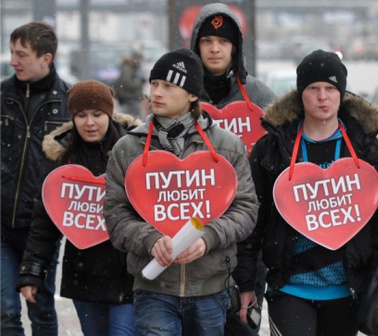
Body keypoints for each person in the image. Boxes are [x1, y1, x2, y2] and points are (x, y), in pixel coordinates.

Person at [233, 49, 378, 336]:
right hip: (289, 286)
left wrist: (376, 278)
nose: (323, 97)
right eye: (314, 88)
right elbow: (252, 219)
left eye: (331, 88)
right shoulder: (272, 149)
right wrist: (246, 282)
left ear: (341, 94)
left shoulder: (366, 149)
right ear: (300, 94)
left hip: (348, 289)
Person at [103, 48, 258, 336]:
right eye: (154, 84)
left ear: (192, 95)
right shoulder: (127, 149)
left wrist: (208, 238)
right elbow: (115, 215)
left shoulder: (227, 147)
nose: (156, 93)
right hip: (153, 288)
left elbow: (246, 210)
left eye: (168, 86)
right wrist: (149, 240)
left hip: (210, 286)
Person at [16, 80, 140, 336]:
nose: (90, 122)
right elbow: (45, 223)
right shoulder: (61, 160)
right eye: (81, 115)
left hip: (128, 273)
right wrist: (32, 272)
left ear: (110, 113)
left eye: (97, 114)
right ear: (72, 118)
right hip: (84, 274)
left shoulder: (135, 150)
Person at [189, 3, 278, 334]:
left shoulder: (259, 96)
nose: (215, 49)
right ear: (196, 45)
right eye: (207, 40)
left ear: (235, 48)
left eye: (223, 42)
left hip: (249, 231)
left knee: (243, 324)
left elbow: (280, 160)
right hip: (194, 226)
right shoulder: (180, 96)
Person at [1, 21, 71, 336]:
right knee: (6, 311)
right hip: (1, 224)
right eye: (12, 52)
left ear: (46, 58)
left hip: (41, 229)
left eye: (21, 54)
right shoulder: (1, 95)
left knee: (41, 309)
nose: (13, 60)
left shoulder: (69, 103)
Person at [113, 48, 146, 119]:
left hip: (130, 97)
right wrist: (140, 82)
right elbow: (128, 82)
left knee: (132, 116)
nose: (140, 62)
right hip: (130, 97)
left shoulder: (130, 67)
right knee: (134, 117)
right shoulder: (128, 68)